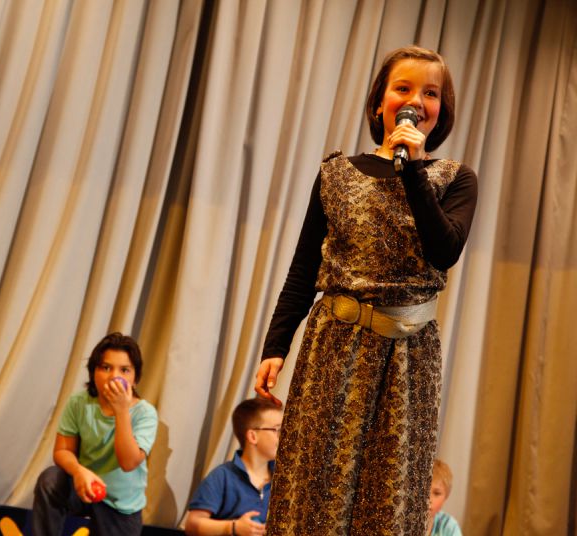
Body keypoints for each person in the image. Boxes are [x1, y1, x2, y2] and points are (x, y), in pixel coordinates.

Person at [254, 45, 478, 535]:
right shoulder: (336, 173)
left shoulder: (456, 178)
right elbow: (303, 269)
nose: (415, 101)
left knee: (388, 497)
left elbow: (444, 251)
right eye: (403, 88)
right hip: (334, 346)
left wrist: (412, 169)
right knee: (314, 487)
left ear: (442, 110)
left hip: (407, 359)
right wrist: (275, 346)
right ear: (380, 102)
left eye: (430, 93)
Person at [32, 332, 158, 536]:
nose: (114, 376)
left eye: (124, 370)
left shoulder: (145, 413)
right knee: (51, 479)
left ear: (135, 379)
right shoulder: (79, 402)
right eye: (106, 368)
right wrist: (78, 471)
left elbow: (128, 462)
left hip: (121, 503)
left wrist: (121, 411)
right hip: (82, 487)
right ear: (93, 373)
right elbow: (62, 451)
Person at [185, 398, 283, 536]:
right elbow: (192, 524)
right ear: (253, 436)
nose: (285, 437)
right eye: (277, 430)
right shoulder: (223, 476)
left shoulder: (284, 480)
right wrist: (232, 527)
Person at [427, 459, 463, 536]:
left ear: (446, 497)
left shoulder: (449, 526)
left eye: (436, 493)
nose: (428, 499)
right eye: (424, 492)